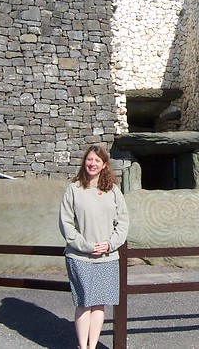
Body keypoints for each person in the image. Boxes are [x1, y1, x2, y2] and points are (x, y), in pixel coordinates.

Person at [59, 144, 130, 349]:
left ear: (104, 165)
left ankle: (93, 345)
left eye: (97, 160)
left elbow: (123, 222)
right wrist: (86, 246)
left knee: (99, 303)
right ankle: (83, 347)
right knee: (84, 302)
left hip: (106, 257)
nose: (92, 163)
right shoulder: (73, 189)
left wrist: (109, 244)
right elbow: (66, 224)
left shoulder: (113, 190)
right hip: (80, 257)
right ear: (84, 162)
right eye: (90, 159)